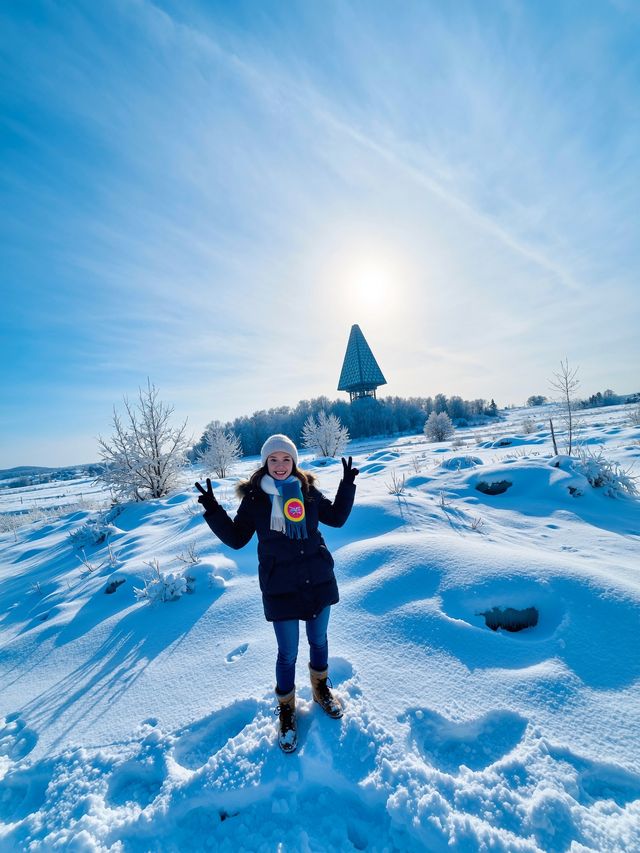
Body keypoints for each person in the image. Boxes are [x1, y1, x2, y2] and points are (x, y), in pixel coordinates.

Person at [195, 433, 358, 754]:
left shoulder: (307, 493)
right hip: (280, 586)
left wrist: (347, 484)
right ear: (265, 463)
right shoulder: (255, 499)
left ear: (294, 462)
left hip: (318, 580)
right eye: (274, 459)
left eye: (286, 459)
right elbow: (237, 538)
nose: (280, 465)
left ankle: (321, 690)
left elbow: (337, 518)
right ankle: (286, 710)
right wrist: (212, 508)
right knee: (287, 653)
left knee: (319, 641)